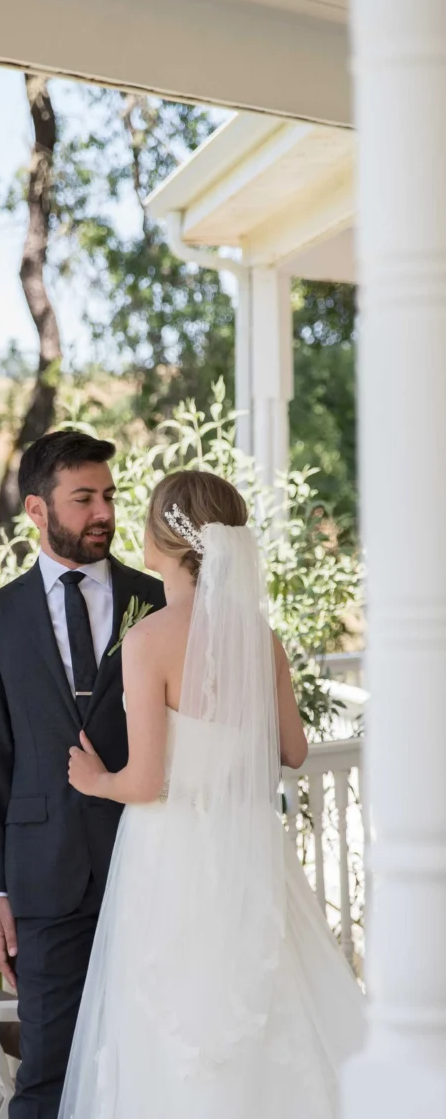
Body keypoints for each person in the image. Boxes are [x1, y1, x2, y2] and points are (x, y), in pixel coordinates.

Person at [61, 469, 366, 1119]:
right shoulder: (261, 638)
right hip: (248, 852)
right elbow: (295, 750)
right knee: (274, 1006)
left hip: (170, 859)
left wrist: (95, 780)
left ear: (169, 540)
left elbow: (144, 782)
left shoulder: (148, 642)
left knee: (167, 1023)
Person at [0, 430, 166, 1119]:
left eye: (108, 496)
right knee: (46, 1072)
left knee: (150, 1057)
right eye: (83, 498)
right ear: (35, 510)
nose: (102, 512)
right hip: (43, 879)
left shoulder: (158, 598)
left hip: (148, 861)